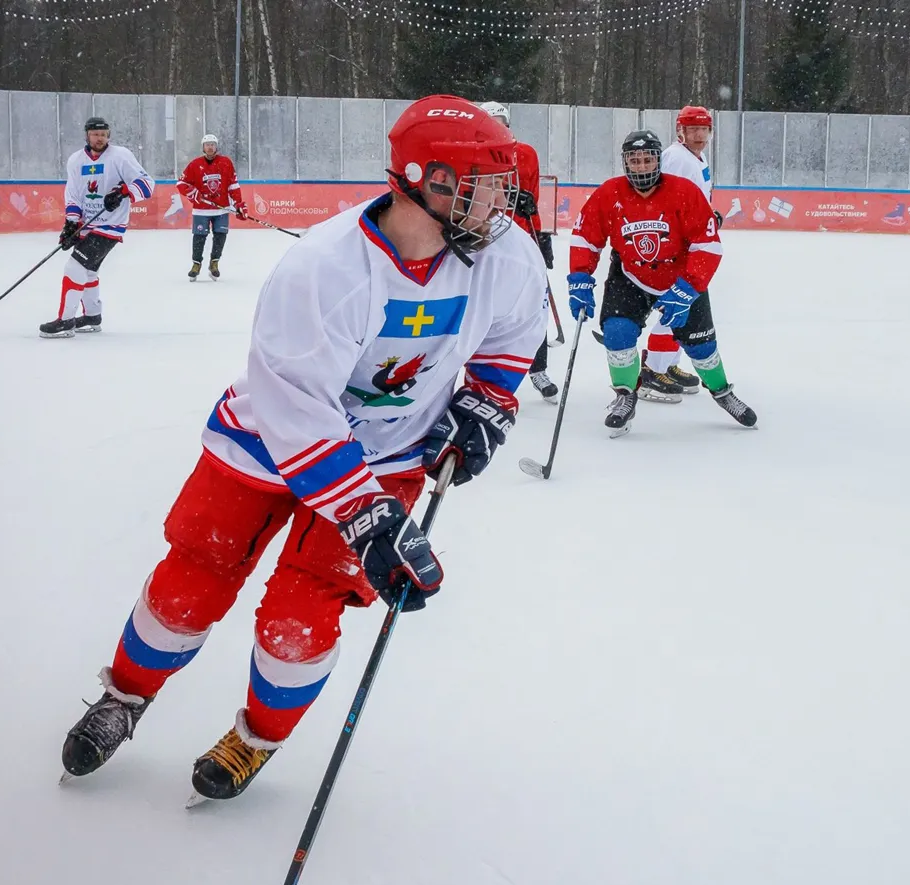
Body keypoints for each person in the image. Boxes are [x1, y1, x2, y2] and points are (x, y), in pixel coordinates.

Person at [57, 96, 545, 804]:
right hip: (263, 445)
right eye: (484, 185)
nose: (499, 204)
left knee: (301, 616)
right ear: (425, 180)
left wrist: (488, 403)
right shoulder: (325, 267)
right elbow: (297, 413)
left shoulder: (505, 255)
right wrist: (368, 516)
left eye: (503, 186)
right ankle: (125, 697)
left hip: (390, 456)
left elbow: (510, 338)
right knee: (190, 582)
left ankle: (256, 737)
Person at [567, 129, 755, 435]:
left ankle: (722, 392)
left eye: (647, 160)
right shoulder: (609, 193)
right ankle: (625, 396)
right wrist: (579, 277)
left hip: (679, 278)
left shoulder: (684, 192)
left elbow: (707, 245)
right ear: (626, 163)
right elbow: (586, 238)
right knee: (617, 333)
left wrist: (689, 287)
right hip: (629, 276)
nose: (642, 167)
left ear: (658, 161)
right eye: (635, 160)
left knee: (702, 347)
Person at [633, 105, 720, 402]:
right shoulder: (675, 158)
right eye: (692, 129)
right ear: (680, 131)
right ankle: (651, 370)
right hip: (675, 245)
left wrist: (709, 216)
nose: (699, 135)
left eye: (704, 130)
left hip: (692, 241)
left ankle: (667, 364)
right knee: (678, 305)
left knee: (687, 304)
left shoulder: (697, 157)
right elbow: (662, 201)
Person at [41, 117, 154, 337]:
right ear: (87, 135)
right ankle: (92, 316)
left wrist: (123, 193)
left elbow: (147, 183)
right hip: (86, 224)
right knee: (89, 271)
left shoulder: (120, 155)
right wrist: (71, 224)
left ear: (108, 136)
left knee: (74, 267)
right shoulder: (76, 160)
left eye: (103, 134)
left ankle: (65, 321)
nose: (99, 138)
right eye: (95, 134)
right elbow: (73, 194)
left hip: (110, 226)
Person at [479, 100, 560, 402]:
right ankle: (480, 375)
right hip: (484, 240)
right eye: (490, 122)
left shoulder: (524, 153)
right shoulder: (471, 154)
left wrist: (540, 234)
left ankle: (537, 370)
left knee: (533, 306)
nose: (496, 127)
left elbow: (532, 199)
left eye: (501, 121)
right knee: (483, 308)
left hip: (522, 239)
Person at [177, 133, 248, 281]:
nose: (210, 147)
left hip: (221, 209)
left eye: (212, 144)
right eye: (207, 144)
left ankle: (214, 263)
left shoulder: (226, 163)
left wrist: (239, 204)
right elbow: (181, 184)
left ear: (216, 147)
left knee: (220, 236)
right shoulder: (195, 164)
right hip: (201, 210)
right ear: (203, 147)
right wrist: (194, 194)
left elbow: (233, 185)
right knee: (199, 237)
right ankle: (196, 264)